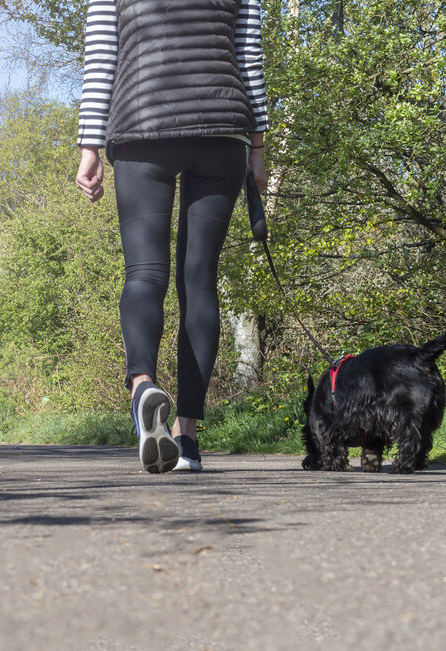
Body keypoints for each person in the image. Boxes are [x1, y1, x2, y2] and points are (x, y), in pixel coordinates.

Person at [75, 0, 269, 473]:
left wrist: (89, 143)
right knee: (199, 280)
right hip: (222, 129)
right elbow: (249, 57)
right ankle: (188, 440)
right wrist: (259, 146)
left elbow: (102, 55)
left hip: (143, 125)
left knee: (144, 272)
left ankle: (143, 385)